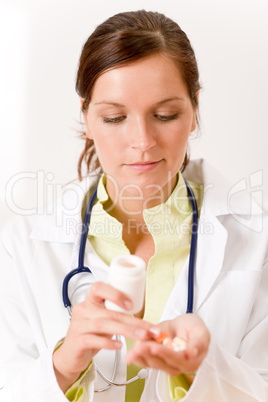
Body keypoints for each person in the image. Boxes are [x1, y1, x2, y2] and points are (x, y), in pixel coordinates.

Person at [0, 9, 268, 402]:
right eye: (114, 117)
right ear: (87, 117)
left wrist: (203, 370)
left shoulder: (257, 238)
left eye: (165, 115)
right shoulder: (22, 243)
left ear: (194, 109)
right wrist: (62, 366)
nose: (142, 140)